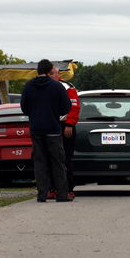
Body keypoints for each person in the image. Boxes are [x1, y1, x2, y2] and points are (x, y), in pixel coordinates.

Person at [21, 59, 72, 202]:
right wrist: (55, 112)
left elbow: (24, 108)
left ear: (38, 70)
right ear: (50, 71)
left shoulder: (29, 86)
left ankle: (42, 194)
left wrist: (34, 113)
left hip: (36, 128)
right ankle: (61, 194)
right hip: (53, 128)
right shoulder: (57, 86)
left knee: (40, 162)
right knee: (58, 162)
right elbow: (66, 107)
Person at [47, 67, 81, 200]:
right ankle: (52, 189)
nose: (50, 76)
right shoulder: (44, 86)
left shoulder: (67, 87)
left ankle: (68, 189)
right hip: (50, 125)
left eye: (52, 74)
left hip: (65, 126)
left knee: (65, 158)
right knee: (50, 158)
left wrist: (69, 124)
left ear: (58, 74)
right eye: (48, 74)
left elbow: (74, 106)